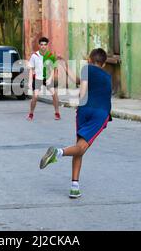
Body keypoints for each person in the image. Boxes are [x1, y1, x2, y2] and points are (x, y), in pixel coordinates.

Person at [39, 48, 112, 199]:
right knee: (80, 147)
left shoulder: (87, 69)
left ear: (90, 60)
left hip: (83, 111)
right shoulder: (107, 76)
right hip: (100, 113)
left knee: (79, 147)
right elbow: (84, 89)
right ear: (104, 64)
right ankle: (58, 152)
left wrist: (64, 65)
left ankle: (74, 186)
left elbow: (78, 82)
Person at [27, 37, 60, 121]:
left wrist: (50, 78)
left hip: (47, 78)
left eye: (45, 45)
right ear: (39, 45)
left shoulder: (50, 56)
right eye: (41, 45)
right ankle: (31, 114)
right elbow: (31, 69)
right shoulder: (34, 56)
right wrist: (30, 82)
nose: (43, 46)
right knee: (35, 96)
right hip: (37, 78)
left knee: (54, 94)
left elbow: (54, 68)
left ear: (47, 45)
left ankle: (57, 113)